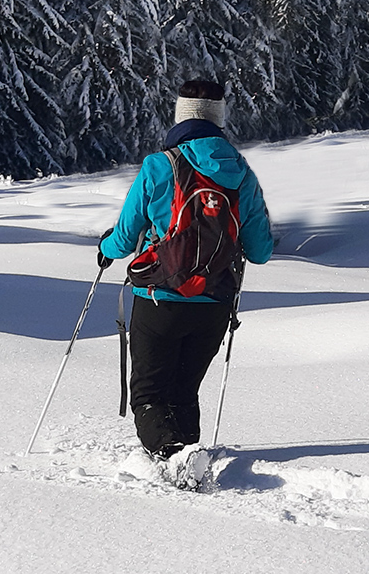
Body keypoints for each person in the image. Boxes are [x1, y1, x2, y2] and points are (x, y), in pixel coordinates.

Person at [98, 80, 274, 457]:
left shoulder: (159, 166)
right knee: (183, 392)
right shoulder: (241, 172)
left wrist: (105, 247)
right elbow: (260, 251)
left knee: (148, 395)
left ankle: (173, 456)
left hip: (159, 297)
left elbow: (126, 238)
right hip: (215, 302)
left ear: (181, 115)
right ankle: (188, 455)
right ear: (218, 118)